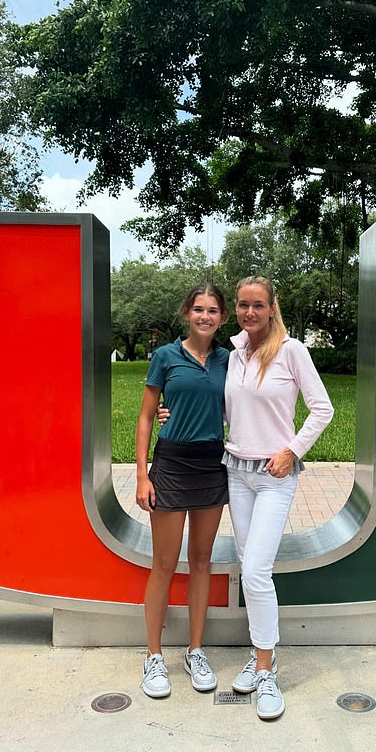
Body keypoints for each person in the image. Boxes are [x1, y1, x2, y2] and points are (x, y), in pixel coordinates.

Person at [159, 276, 333, 720]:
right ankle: (261, 658)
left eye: (258, 305)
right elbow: (223, 406)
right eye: (242, 305)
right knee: (248, 566)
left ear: (273, 307)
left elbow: (322, 408)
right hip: (235, 472)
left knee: (256, 570)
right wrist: (172, 410)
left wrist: (291, 450)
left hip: (275, 475)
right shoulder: (233, 354)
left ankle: (266, 668)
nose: (249, 312)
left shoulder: (292, 350)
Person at [135, 284, 229, 699]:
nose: (204, 317)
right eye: (198, 310)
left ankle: (195, 650)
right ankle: (153, 655)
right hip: (172, 464)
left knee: (202, 562)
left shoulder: (230, 358)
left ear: (222, 318)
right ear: (186, 314)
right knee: (164, 564)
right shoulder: (165, 356)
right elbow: (144, 417)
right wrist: (142, 474)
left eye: (212, 311)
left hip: (212, 464)